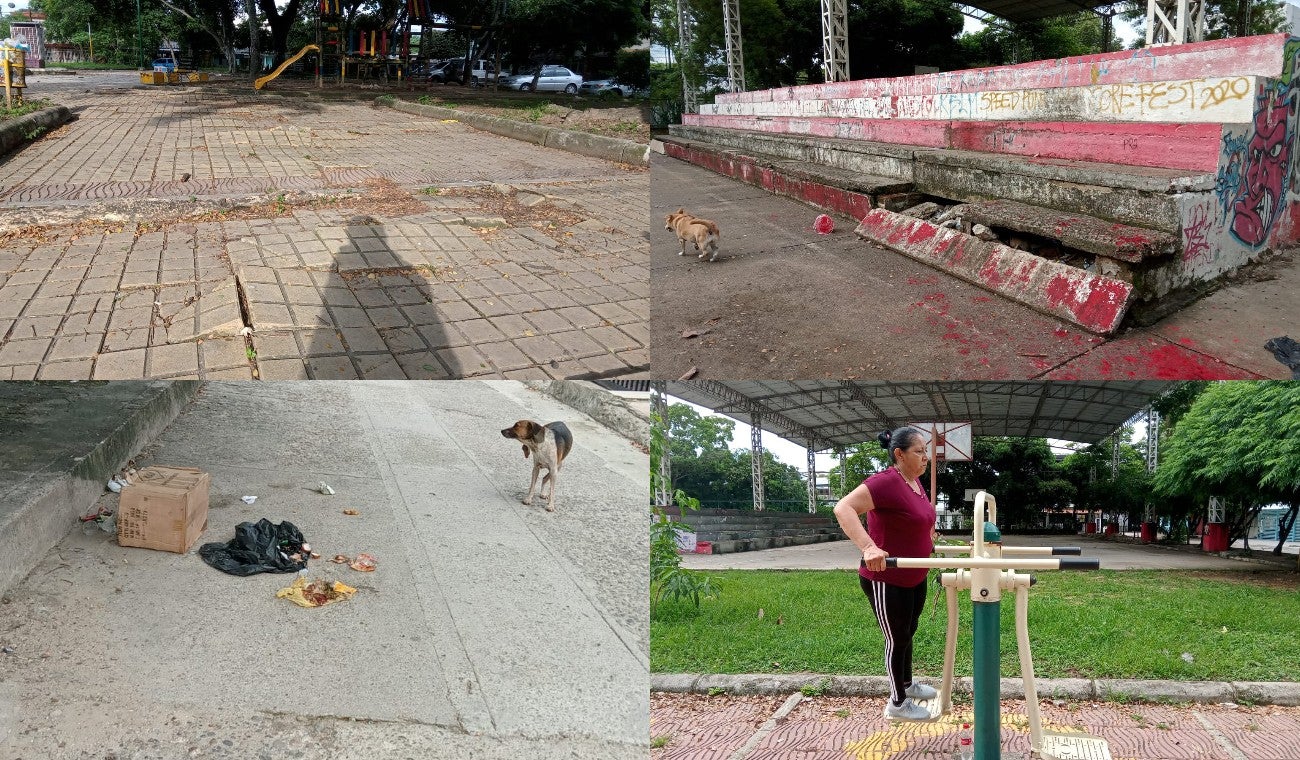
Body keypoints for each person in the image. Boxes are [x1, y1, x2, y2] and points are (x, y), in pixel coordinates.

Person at [832, 426, 939, 721]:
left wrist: (927, 538)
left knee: (908, 632)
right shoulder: (885, 482)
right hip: (887, 578)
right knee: (896, 638)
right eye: (919, 451)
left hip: (914, 574)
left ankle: (907, 684)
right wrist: (869, 547)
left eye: (926, 452)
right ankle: (897, 704)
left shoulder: (914, 482)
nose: (925, 457)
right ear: (899, 454)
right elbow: (843, 508)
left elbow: (917, 519)